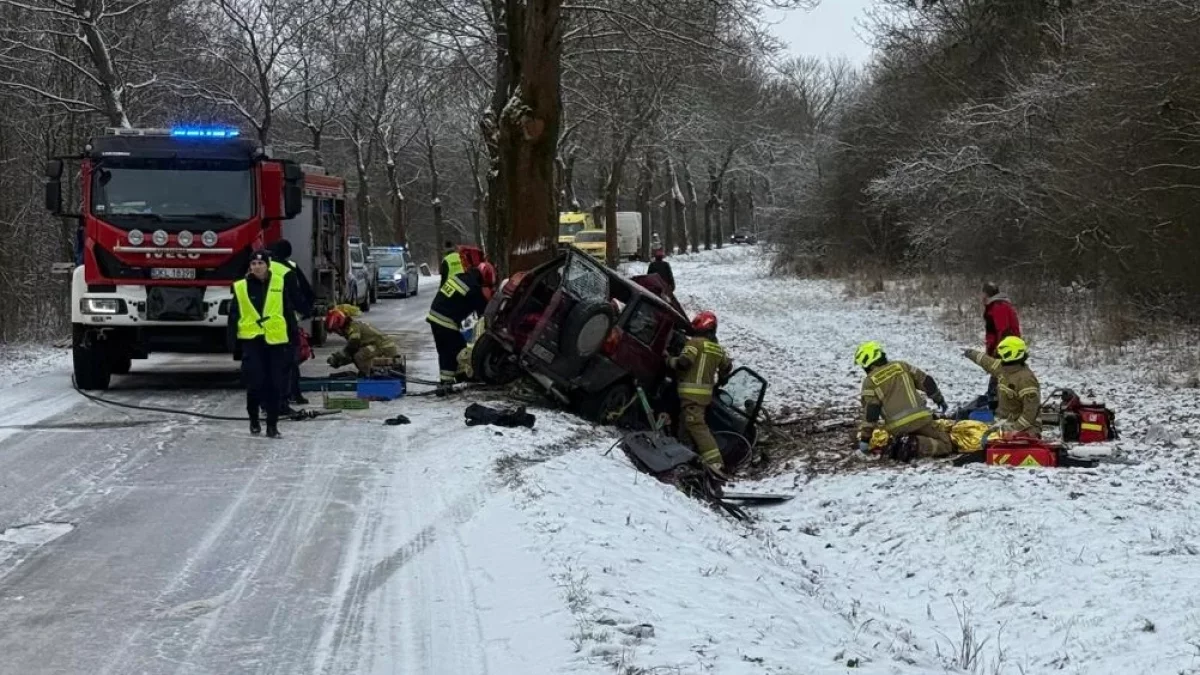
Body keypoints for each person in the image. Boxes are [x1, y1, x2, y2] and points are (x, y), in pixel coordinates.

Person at [228, 249, 296, 438]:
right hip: (252, 341)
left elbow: (287, 311)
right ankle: (254, 419)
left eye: (261, 264)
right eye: (254, 264)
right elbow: (234, 316)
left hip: (275, 340)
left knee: (275, 384)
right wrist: (233, 343)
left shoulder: (279, 283)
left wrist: (294, 338)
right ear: (250, 267)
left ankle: (272, 426)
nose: (257, 267)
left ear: (267, 265)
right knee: (255, 384)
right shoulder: (241, 287)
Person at [854, 341, 952, 461]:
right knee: (946, 445)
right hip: (921, 419)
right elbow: (927, 381)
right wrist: (939, 399)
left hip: (897, 428)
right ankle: (914, 445)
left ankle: (906, 442)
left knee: (909, 434)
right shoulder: (902, 366)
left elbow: (871, 412)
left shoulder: (869, 383)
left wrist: (865, 439)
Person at [666, 311, 733, 478]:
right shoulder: (718, 349)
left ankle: (716, 464)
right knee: (685, 426)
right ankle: (685, 456)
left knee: (696, 426)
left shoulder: (694, 343)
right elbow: (727, 367)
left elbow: (684, 362)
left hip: (691, 395)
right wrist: (721, 377)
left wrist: (668, 360)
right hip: (704, 396)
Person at [427, 262, 497, 394]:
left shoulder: (461, 277)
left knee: (453, 347)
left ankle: (457, 377)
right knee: (452, 351)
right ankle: (446, 383)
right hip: (445, 320)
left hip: (436, 315)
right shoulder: (473, 288)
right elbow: (484, 311)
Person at [962, 336, 1041, 436]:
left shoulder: (1026, 380)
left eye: (1003, 352)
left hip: (1024, 428)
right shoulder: (1003, 368)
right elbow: (986, 361)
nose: (999, 355)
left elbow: (1030, 414)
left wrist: (1013, 430)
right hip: (1003, 421)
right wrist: (970, 353)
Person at [270, 239, 316, 405]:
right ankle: (293, 394)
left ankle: (269, 399)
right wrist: (306, 311)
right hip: (287, 322)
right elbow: (305, 293)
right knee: (290, 360)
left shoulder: (258, 267)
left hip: (262, 324)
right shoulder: (290, 268)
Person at [323, 308, 399, 377]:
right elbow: (350, 353)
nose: (337, 333)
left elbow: (352, 346)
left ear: (339, 324)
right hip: (379, 346)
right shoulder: (351, 328)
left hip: (383, 348)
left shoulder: (353, 327)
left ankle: (370, 375)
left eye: (335, 330)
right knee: (356, 355)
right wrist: (339, 362)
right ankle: (368, 373)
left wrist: (337, 358)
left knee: (359, 356)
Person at [982, 282, 1021, 410]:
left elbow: (1002, 330)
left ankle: (995, 405)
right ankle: (1002, 402)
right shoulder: (1000, 305)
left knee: (998, 376)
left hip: (1006, 349)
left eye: (983, 293)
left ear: (987, 294)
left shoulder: (998, 307)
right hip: (1008, 347)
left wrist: (997, 351)